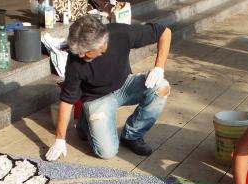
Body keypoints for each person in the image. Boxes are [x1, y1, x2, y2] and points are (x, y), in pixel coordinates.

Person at [45, 14, 172, 161]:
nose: (79, 54)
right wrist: (60, 139)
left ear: (101, 44)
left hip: (124, 85)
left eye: (83, 51)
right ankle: (85, 123)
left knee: (161, 87)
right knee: (107, 152)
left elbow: (165, 32)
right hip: (96, 98)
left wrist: (159, 67)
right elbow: (67, 101)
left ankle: (132, 135)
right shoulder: (75, 61)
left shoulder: (121, 33)